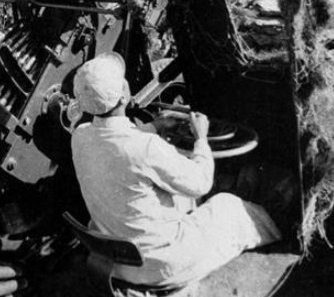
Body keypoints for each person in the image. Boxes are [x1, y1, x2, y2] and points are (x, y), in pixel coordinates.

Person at [71, 52, 282, 290]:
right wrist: (201, 138)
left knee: (181, 197)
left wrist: (155, 126)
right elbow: (202, 183)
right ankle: (283, 225)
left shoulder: (80, 136)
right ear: (123, 94)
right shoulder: (146, 148)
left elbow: (117, 141)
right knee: (229, 206)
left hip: (117, 262)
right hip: (160, 267)